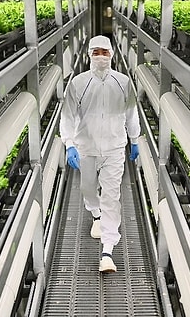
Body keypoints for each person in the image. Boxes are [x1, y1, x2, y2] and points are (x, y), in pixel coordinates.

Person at [60, 35, 141, 273]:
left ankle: (107, 251)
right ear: (89, 55)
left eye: (105, 52)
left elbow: (131, 113)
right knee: (87, 188)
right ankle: (95, 215)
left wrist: (134, 140)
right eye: (96, 52)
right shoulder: (78, 83)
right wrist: (69, 144)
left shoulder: (124, 82)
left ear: (112, 55)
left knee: (111, 196)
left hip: (115, 148)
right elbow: (68, 116)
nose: (101, 57)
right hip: (86, 146)